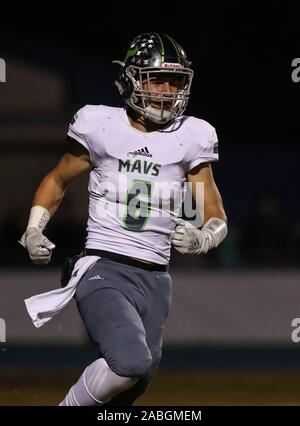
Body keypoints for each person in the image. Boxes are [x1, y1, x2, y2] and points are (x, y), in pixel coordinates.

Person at [20, 32, 228, 406]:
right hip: (104, 265)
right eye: (157, 79)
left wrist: (203, 238)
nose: (166, 90)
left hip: (156, 278)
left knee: (133, 384)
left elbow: (215, 216)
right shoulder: (98, 124)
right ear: (130, 79)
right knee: (129, 360)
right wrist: (34, 228)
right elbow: (57, 179)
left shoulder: (192, 135)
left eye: (175, 81)